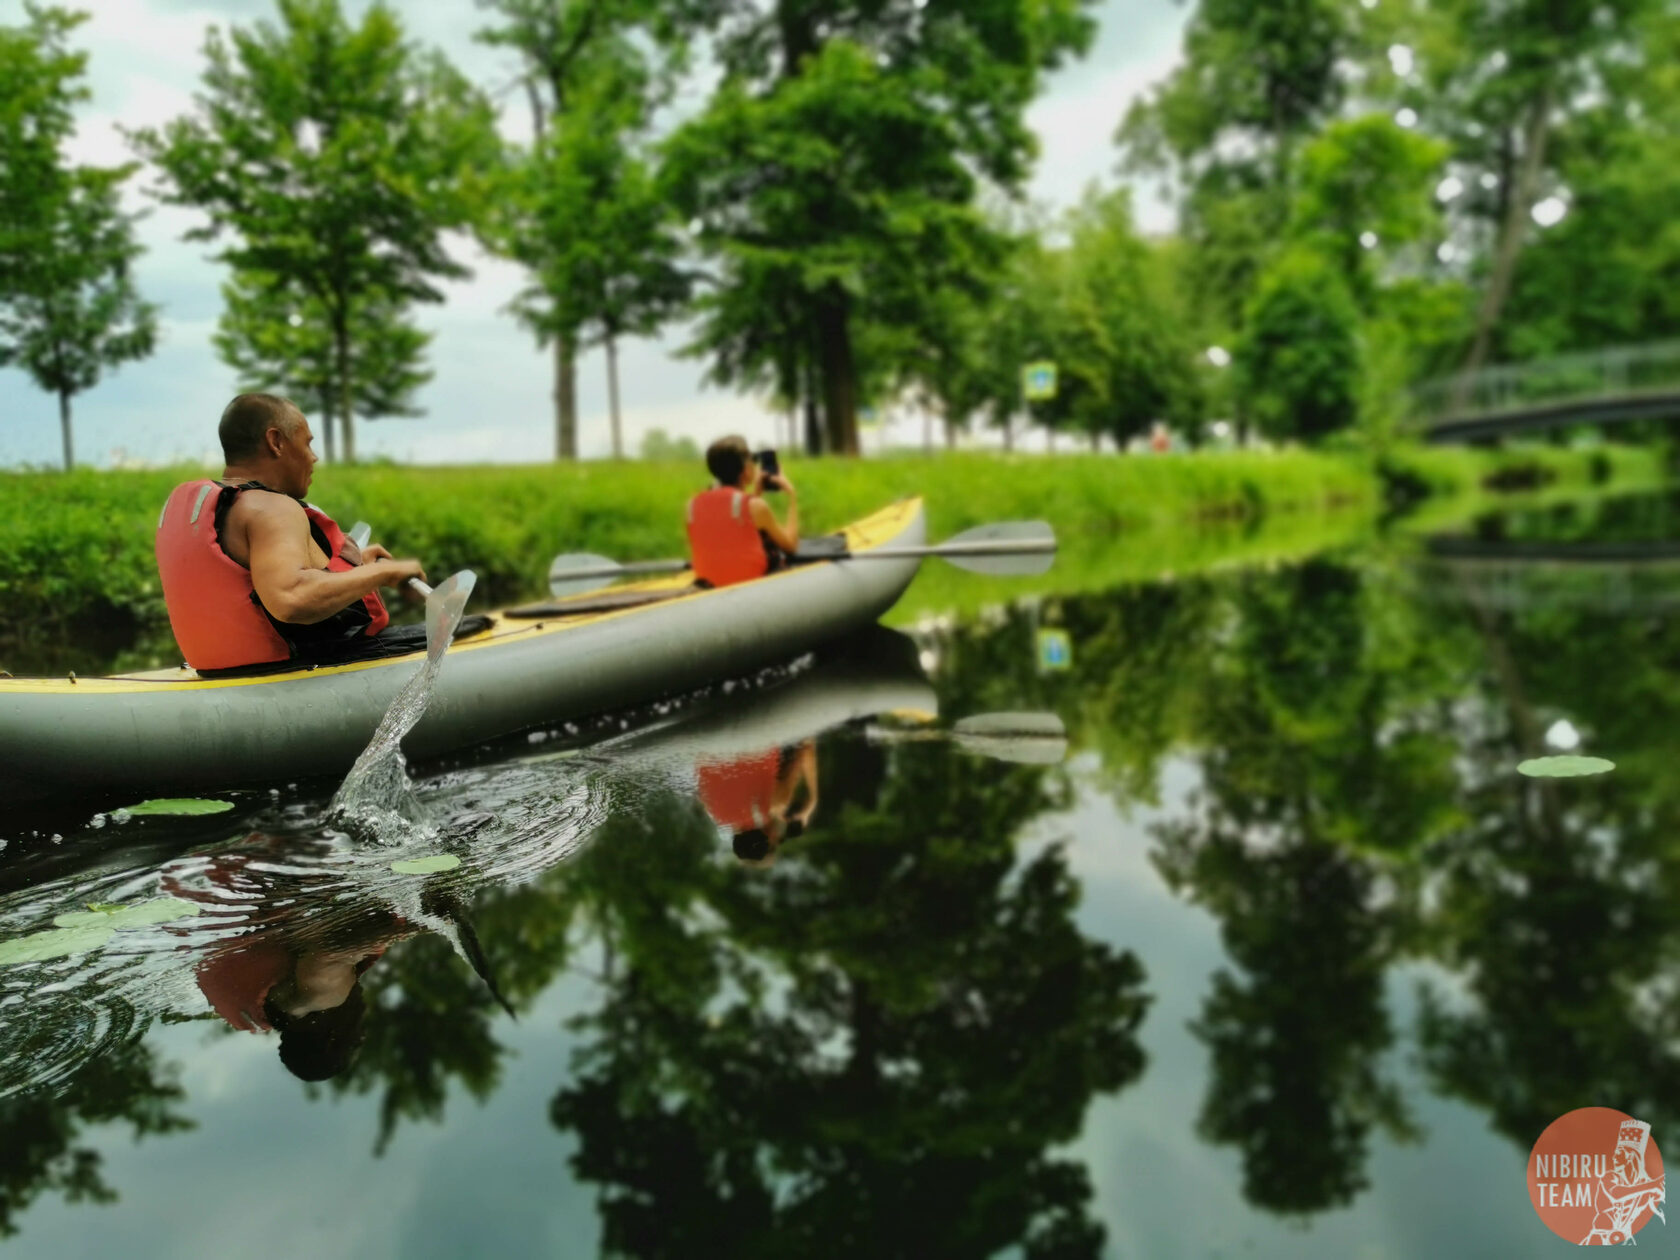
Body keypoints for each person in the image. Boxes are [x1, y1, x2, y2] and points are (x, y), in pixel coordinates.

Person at [154, 394, 427, 674]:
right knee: (456, 631)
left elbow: (255, 577)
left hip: (215, 670)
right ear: (276, 442)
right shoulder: (271, 507)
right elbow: (291, 598)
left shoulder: (219, 508)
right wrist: (385, 574)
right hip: (283, 673)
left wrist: (353, 568)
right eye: (307, 442)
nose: (314, 456)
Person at [685, 435, 799, 588]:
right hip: (751, 590)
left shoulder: (692, 506)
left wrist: (755, 494)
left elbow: (733, 531)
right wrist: (791, 495)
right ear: (745, 471)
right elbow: (790, 545)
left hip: (710, 588)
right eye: (752, 460)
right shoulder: (755, 506)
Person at [697, 739, 819, 867]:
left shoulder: (776, 804)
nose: (778, 836)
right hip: (709, 742)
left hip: (755, 734)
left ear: (769, 840)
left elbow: (806, 750)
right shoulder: (712, 811)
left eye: (777, 841)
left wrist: (812, 799)